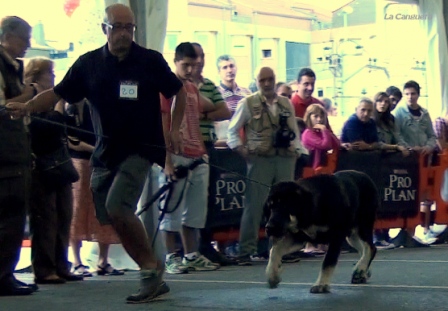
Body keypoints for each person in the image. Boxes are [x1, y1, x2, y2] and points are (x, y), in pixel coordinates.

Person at [7, 4, 187, 303]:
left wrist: (176, 128)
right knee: (111, 216)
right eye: (117, 27)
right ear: (104, 29)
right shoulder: (88, 64)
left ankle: (150, 270)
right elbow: (57, 93)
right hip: (105, 153)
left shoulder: (149, 60)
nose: (124, 33)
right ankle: (152, 269)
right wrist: (28, 107)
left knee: (118, 207)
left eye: (129, 27)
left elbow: (178, 92)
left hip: (141, 148)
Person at [227, 66, 302, 266]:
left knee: (284, 206)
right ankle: (245, 250)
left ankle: (281, 249)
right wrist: (241, 150)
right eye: (263, 80)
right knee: (254, 205)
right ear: (257, 82)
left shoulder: (286, 103)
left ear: (275, 79)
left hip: (285, 158)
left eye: (270, 79)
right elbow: (231, 131)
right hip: (260, 158)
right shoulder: (247, 103)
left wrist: (297, 150)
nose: (267, 84)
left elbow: (295, 130)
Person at [159, 42, 219, 275]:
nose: (191, 70)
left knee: (195, 211)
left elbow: (212, 105)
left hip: (198, 154)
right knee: (171, 210)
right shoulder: (166, 88)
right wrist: (166, 161)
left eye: (194, 65)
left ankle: (192, 255)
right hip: (176, 154)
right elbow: (163, 124)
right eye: (186, 65)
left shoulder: (192, 88)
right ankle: (172, 256)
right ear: (175, 62)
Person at [25, 57, 83, 284]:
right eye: (50, 74)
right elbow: (45, 127)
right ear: (38, 75)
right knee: (45, 218)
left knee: (64, 215)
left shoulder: (53, 101)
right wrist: (58, 108)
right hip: (40, 164)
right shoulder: (31, 99)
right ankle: (44, 267)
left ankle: (61, 264)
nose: (54, 79)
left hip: (59, 164)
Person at [0, 15, 38, 296]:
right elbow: (3, 107)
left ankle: (6, 273)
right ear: (8, 36)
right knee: (10, 218)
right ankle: (3, 275)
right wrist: (31, 96)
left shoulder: (13, 67)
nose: (28, 44)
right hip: (5, 154)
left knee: (14, 219)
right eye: (25, 38)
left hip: (16, 151)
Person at [66, 99, 124, 277]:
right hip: (80, 163)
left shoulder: (102, 106)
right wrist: (99, 149)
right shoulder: (71, 109)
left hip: (101, 163)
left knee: (102, 209)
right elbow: (73, 142)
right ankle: (76, 261)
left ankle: (103, 261)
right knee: (77, 210)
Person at [190, 42, 233, 265]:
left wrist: (202, 115)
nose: (198, 62)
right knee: (186, 200)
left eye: (201, 56)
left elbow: (224, 111)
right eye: (193, 57)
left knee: (209, 198)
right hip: (186, 146)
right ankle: (186, 250)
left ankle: (205, 245)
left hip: (207, 145)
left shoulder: (209, 85)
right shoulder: (178, 84)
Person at [394, 80, 438, 245]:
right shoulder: (399, 112)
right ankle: (406, 230)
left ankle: (423, 230)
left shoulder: (425, 113)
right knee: (408, 194)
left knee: (425, 195)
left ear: (418, 94)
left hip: (425, 160)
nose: (410, 97)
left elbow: (432, 136)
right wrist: (410, 148)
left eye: (413, 94)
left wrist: (428, 147)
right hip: (407, 161)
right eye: (407, 94)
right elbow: (397, 135)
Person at [371, 92, 409, 249]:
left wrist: (404, 147)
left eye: (385, 102)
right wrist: (396, 147)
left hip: (390, 163)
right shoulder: (371, 120)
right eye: (380, 101)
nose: (383, 104)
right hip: (375, 161)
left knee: (388, 196)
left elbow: (397, 136)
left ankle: (385, 233)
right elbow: (375, 143)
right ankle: (376, 235)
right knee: (376, 197)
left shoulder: (390, 119)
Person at [300, 104, 339, 256]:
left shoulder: (323, 131)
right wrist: (324, 132)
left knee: (324, 209)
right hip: (311, 175)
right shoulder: (308, 134)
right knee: (312, 209)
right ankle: (309, 243)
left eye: (321, 116)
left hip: (323, 174)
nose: (319, 119)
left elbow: (336, 143)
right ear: (308, 118)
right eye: (315, 116)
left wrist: (327, 130)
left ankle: (322, 241)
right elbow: (325, 144)